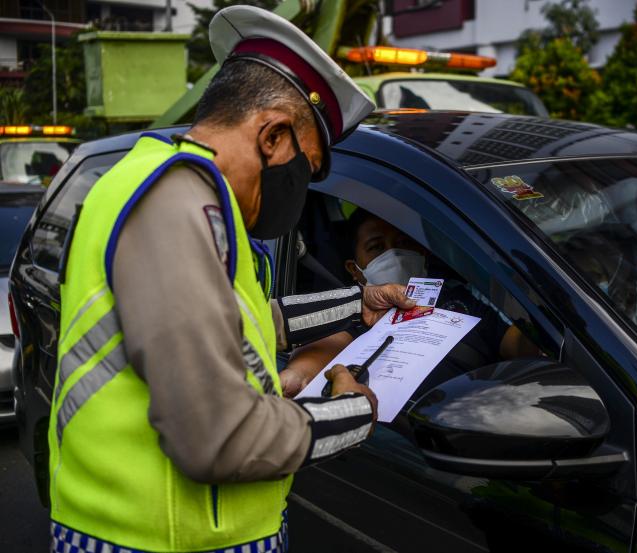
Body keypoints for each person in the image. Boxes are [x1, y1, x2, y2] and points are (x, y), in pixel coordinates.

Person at [47, 6, 415, 553]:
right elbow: (215, 439)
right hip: (156, 541)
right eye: (306, 168)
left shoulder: (189, 198)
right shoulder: (173, 204)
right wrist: (353, 413)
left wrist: (356, 306)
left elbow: (237, 327)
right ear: (272, 136)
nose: (301, 189)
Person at [280, 209, 540, 401]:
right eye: (376, 247)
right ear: (355, 270)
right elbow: (319, 356)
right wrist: (298, 375)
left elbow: (521, 347)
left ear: (423, 253)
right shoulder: (357, 312)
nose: (393, 254)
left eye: (404, 243)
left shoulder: (463, 299)